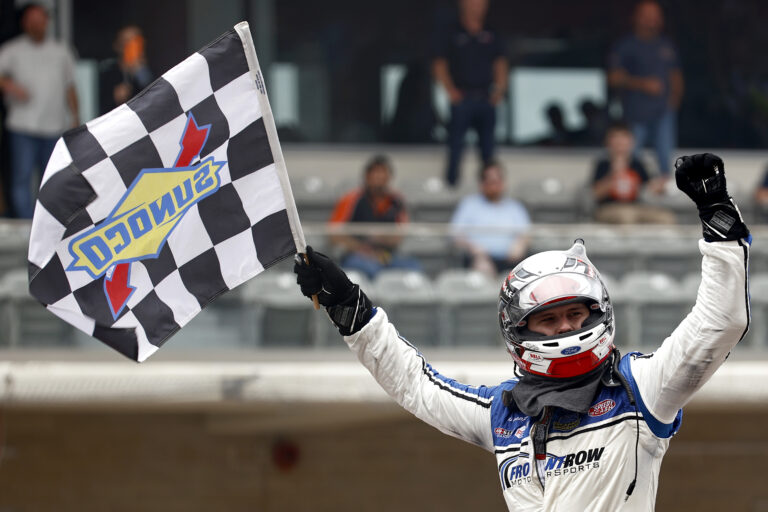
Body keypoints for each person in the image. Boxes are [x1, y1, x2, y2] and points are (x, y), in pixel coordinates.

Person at [295, 153, 750, 510]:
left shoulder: (641, 388)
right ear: (518, 332)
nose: (567, 326)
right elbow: (417, 386)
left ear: (600, 313)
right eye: (549, 319)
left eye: (576, 313)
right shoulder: (503, 414)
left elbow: (719, 324)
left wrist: (719, 223)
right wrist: (349, 308)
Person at [0, 3, 79, 219]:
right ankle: (27, 225)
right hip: (22, 125)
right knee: (21, 179)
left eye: (39, 19)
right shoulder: (11, 50)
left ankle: (50, 225)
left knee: (54, 180)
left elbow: (70, 86)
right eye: (31, 20)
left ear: (46, 21)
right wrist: (9, 85)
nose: (36, 24)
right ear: (25, 23)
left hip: (53, 126)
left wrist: (75, 117)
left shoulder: (61, 50)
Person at [432, 0, 508, 187]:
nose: (477, 6)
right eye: (473, 2)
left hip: (485, 97)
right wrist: (450, 90)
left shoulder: (491, 33)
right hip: (462, 98)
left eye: (481, 3)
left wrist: (499, 90)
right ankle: (451, 185)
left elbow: (500, 63)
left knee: (488, 149)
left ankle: (490, 186)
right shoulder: (452, 32)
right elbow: (439, 63)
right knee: (456, 145)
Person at [608, 0, 683, 177]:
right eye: (648, 15)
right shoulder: (626, 45)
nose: (653, 20)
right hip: (636, 115)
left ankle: (663, 198)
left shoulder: (666, 45)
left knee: (666, 161)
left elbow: (676, 76)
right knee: (630, 159)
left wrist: (673, 102)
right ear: (637, 18)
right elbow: (613, 78)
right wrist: (642, 84)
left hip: (663, 113)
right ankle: (628, 193)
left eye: (656, 16)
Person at [328, 155, 421, 280]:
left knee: (413, 267)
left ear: (389, 177)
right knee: (371, 270)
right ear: (366, 176)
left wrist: (379, 239)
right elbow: (334, 234)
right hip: (357, 254)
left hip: (386, 255)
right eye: (375, 173)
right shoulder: (350, 199)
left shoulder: (397, 201)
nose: (378, 178)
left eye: (383, 174)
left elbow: (399, 236)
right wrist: (360, 247)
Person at [450, 160, 530, 277]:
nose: (495, 185)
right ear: (482, 183)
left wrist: (520, 245)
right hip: (478, 260)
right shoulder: (468, 205)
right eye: (491, 181)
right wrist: (476, 252)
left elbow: (526, 234)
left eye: (498, 181)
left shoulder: (515, 207)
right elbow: (455, 234)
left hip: (511, 262)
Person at [591, 123, 676, 224]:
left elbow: (649, 187)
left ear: (631, 142)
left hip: (635, 207)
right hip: (609, 208)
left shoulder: (637, 164)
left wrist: (661, 186)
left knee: (666, 218)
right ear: (608, 142)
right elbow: (595, 194)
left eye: (624, 138)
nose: (620, 142)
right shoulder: (603, 164)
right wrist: (614, 174)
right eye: (616, 138)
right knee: (626, 216)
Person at [98, 25, 153, 115]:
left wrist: (139, 70)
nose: (131, 46)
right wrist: (114, 98)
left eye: (135, 41)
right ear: (118, 46)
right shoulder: (107, 73)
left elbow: (155, 97)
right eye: (127, 42)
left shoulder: (150, 70)